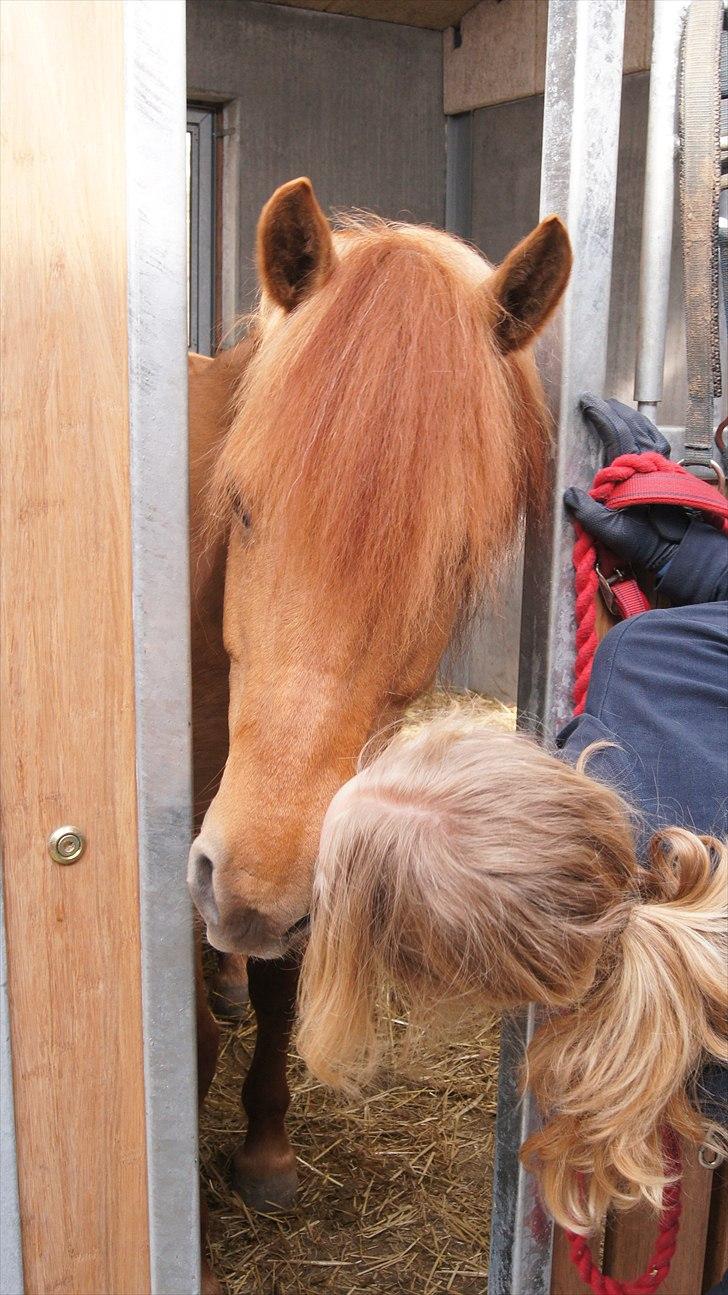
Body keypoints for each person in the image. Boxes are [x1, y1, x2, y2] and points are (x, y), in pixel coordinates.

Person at [295, 398, 728, 1256]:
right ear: (514, 752)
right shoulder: (655, 664)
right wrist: (695, 559)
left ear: (469, 983)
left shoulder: (687, 1073)